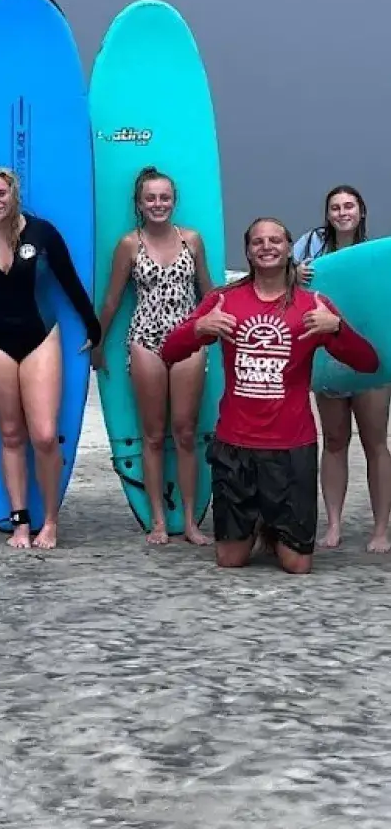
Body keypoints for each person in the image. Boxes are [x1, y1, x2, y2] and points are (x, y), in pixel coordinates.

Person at [160, 217, 378, 575]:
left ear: (289, 248)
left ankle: (273, 526)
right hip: (235, 446)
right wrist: (199, 328)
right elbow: (169, 350)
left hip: (291, 447)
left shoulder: (314, 305)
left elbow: (367, 362)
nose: (266, 246)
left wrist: (336, 328)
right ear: (247, 251)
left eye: (275, 240)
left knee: (297, 565)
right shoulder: (223, 300)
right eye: (258, 241)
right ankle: (259, 524)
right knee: (231, 560)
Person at [0, 166, 100, 551]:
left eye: (1, 194)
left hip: (41, 336)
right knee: (10, 434)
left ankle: (51, 522)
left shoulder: (42, 233)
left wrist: (93, 329)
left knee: (44, 434)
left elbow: (69, 281)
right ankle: (20, 523)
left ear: (14, 195)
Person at [93, 167, 216, 546]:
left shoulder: (192, 239)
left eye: (164, 197)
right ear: (139, 203)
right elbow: (113, 298)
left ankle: (192, 521)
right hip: (145, 338)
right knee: (152, 434)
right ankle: (159, 521)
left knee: (184, 431)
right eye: (151, 198)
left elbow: (208, 292)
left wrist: (223, 326)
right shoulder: (129, 244)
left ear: (173, 201)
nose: (158, 204)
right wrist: (97, 342)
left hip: (188, 337)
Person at [293, 185, 390, 552]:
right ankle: (333, 525)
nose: (342, 212)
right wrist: (294, 272)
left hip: (372, 359)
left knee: (375, 442)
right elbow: (281, 284)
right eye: (335, 207)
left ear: (361, 211)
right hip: (329, 358)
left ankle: (381, 529)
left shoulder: (377, 255)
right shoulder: (309, 251)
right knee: (334, 441)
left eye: (349, 205)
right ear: (327, 213)